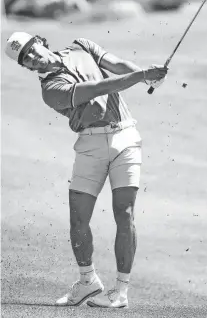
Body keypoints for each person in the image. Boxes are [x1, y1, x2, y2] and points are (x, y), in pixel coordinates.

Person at [5, 32, 168, 308]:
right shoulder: (50, 90)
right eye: (27, 61)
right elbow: (99, 88)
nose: (34, 59)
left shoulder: (81, 45)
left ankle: (120, 291)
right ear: (28, 68)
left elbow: (117, 66)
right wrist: (141, 75)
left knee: (124, 212)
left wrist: (149, 76)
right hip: (90, 145)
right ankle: (87, 281)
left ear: (41, 43)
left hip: (125, 137)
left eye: (32, 51)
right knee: (78, 218)